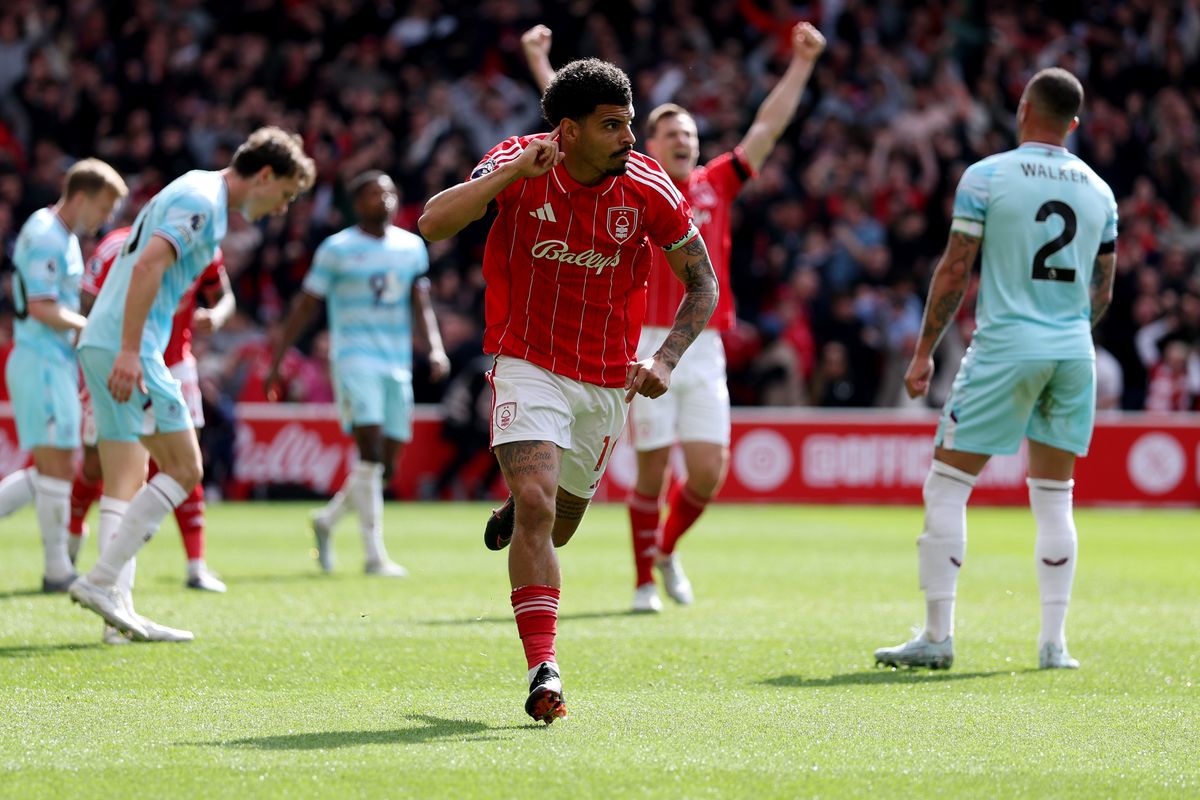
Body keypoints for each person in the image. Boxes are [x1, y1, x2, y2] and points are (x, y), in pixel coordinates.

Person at [419, 59, 717, 723]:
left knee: (562, 521)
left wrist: (666, 359)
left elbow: (705, 284)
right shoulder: (518, 162)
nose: (630, 139)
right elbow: (432, 224)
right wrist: (506, 177)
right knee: (536, 504)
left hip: (606, 380)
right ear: (569, 130)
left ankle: (519, 513)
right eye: (613, 126)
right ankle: (543, 667)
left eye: (630, 124)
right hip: (527, 361)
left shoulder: (648, 187)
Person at [522, 22, 826, 612]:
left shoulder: (715, 185)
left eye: (689, 132)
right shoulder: (631, 183)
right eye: (669, 132)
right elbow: (572, 119)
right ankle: (642, 583)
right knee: (652, 473)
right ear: (645, 143)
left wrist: (803, 63)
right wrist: (541, 59)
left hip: (703, 343)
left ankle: (663, 550)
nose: (683, 140)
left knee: (709, 474)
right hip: (642, 341)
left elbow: (767, 127)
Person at [874, 68, 1118, 671]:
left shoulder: (986, 176)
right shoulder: (1100, 190)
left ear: (1024, 108)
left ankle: (936, 635)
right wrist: (1067, 335)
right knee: (1055, 496)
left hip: (1006, 345)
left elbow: (956, 269)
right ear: (1075, 124)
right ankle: (1054, 645)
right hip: (1071, 351)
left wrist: (924, 350)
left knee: (947, 486)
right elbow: (1104, 288)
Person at [68, 127, 315, 641]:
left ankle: (117, 611)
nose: (281, 209)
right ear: (264, 175)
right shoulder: (204, 200)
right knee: (185, 468)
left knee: (125, 478)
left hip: (103, 340)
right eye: (285, 195)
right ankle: (99, 581)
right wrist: (133, 351)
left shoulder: (200, 193)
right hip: (126, 344)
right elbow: (151, 266)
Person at [267, 170, 449, 576]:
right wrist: (278, 359)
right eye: (371, 193)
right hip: (353, 359)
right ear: (355, 202)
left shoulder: (411, 247)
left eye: (388, 191)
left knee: (386, 465)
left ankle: (327, 521)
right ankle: (374, 555)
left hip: (396, 362)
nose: (382, 198)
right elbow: (305, 306)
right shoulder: (337, 249)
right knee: (368, 450)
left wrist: (434, 348)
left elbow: (421, 303)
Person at [69, 226, 234, 598]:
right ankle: (72, 547)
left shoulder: (205, 248)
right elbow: (87, 303)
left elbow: (224, 296)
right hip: (119, 357)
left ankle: (194, 565)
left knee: (183, 464)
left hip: (174, 363)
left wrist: (217, 315)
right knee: (102, 466)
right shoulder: (118, 247)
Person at [0, 158, 126, 592]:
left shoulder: (61, 235)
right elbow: (41, 306)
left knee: (54, 468)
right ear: (81, 197)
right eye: (104, 207)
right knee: (55, 468)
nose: (106, 218)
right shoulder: (49, 237)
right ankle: (57, 569)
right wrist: (91, 327)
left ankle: (57, 566)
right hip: (40, 359)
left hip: (51, 361)